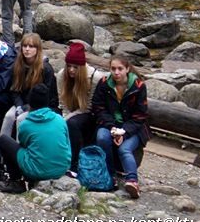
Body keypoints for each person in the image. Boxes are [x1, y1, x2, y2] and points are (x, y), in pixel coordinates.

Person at [91, 55, 150, 199]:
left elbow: (140, 116)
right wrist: (111, 127)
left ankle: (132, 181)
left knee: (125, 149)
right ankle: (111, 174)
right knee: (102, 137)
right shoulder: (104, 84)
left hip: (133, 128)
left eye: (120, 69)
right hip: (110, 124)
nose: (116, 72)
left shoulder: (138, 87)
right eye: (113, 69)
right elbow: (98, 108)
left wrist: (124, 132)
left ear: (127, 69)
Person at [0, 83, 72, 193]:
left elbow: (23, 146)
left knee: (3, 140)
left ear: (30, 102)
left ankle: (16, 181)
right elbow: (67, 144)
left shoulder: (26, 124)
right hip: (61, 169)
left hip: (36, 172)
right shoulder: (60, 119)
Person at [58, 42, 107, 175]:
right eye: (69, 66)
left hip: (88, 114)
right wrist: (64, 117)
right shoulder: (62, 75)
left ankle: (74, 166)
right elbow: (62, 103)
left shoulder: (94, 78)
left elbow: (88, 107)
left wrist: (66, 119)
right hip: (69, 110)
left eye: (75, 67)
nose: (71, 70)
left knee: (72, 124)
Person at [0, 33, 58, 137]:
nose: (27, 49)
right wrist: (18, 105)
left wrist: (27, 108)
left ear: (37, 49)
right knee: (9, 116)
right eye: (24, 46)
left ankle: (18, 149)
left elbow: (48, 95)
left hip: (40, 106)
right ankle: (1, 145)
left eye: (31, 46)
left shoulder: (45, 69)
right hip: (22, 103)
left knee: (22, 119)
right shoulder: (18, 65)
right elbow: (14, 89)